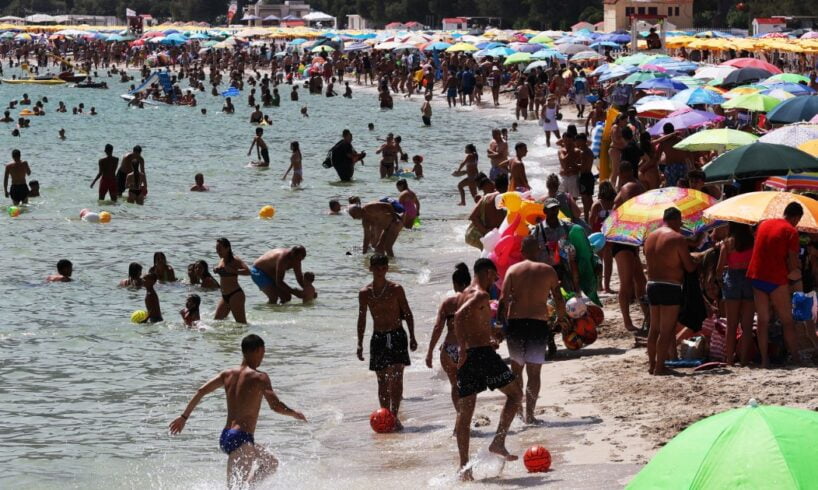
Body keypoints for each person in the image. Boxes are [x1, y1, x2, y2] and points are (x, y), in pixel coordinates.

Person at [168, 334, 306, 489]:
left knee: (270, 463)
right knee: (235, 488)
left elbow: (201, 391)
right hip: (241, 439)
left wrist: (183, 417)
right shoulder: (260, 377)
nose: (263, 357)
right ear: (259, 350)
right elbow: (275, 405)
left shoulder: (227, 374)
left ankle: (250, 487)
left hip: (227, 435)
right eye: (263, 352)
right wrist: (293, 413)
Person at [453, 258, 522, 480]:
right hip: (480, 355)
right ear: (487, 272)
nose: (495, 281)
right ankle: (498, 441)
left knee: (465, 413)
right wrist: (463, 348)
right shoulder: (481, 294)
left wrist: (492, 335)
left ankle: (465, 469)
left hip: (475, 354)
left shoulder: (464, 293)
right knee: (515, 395)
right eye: (494, 276)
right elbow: (458, 316)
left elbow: (470, 320)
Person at [499, 236, 568, 423]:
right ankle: (530, 415)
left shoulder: (513, 270)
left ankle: (518, 410)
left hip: (516, 323)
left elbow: (503, 300)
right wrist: (561, 319)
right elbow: (559, 299)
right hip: (538, 323)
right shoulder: (548, 271)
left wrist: (500, 326)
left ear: (521, 251)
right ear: (538, 250)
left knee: (516, 371)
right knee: (534, 372)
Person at [356, 253, 417, 431]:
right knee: (382, 380)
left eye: (383, 268)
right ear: (371, 269)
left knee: (397, 377)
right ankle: (385, 413)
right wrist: (359, 343)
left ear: (387, 269)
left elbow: (407, 313)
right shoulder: (365, 293)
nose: (380, 271)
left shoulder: (396, 289)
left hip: (397, 335)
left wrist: (412, 336)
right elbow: (362, 319)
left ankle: (394, 416)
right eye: (377, 268)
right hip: (379, 338)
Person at [747, 202, 804, 367]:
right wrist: (796, 270)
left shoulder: (764, 224)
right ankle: (796, 358)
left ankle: (764, 360)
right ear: (795, 217)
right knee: (787, 320)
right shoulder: (791, 231)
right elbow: (792, 264)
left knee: (763, 321)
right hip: (776, 278)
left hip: (757, 275)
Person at [644, 207, 699, 375]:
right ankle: (660, 367)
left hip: (652, 284)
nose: (681, 225)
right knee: (667, 330)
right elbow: (689, 267)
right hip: (670, 286)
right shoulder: (677, 238)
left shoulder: (650, 238)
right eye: (680, 222)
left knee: (654, 328)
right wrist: (697, 260)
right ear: (675, 220)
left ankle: (652, 365)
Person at [426, 263, 471, 415]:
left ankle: (460, 418)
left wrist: (430, 352)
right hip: (467, 349)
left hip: (449, 349)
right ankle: (465, 419)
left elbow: (437, 328)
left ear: (454, 284)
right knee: (468, 386)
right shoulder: (476, 300)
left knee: (454, 385)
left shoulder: (447, 303)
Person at [716, 222, 755, 366]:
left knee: (731, 324)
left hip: (732, 280)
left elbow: (719, 269)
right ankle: (744, 360)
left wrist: (721, 280)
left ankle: (730, 360)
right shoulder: (753, 242)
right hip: (749, 279)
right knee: (747, 324)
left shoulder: (727, 243)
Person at [465, 174, 508, 250]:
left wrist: (485, 232)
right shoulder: (506, 198)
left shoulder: (485, 197)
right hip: (498, 236)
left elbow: (472, 217)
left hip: (488, 236)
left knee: (487, 257)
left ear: (495, 184)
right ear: (508, 185)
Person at [214, 237, 250, 324]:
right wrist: (216, 269)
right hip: (225, 296)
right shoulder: (221, 260)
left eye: (220, 249)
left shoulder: (235, 260)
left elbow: (248, 272)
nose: (217, 251)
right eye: (216, 249)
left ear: (227, 248)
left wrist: (233, 271)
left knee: (241, 324)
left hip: (235, 295)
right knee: (216, 322)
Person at [577, 133, 595, 221]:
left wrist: (574, 165)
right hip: (590, 176)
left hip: (584, 177)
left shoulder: (583, 152)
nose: (576, 142)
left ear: (582, 141)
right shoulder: (590, 151)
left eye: (578, 140)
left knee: (585, 200)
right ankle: (594, 215)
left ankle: (587, 218)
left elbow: (583, 168)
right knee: (589, 198)